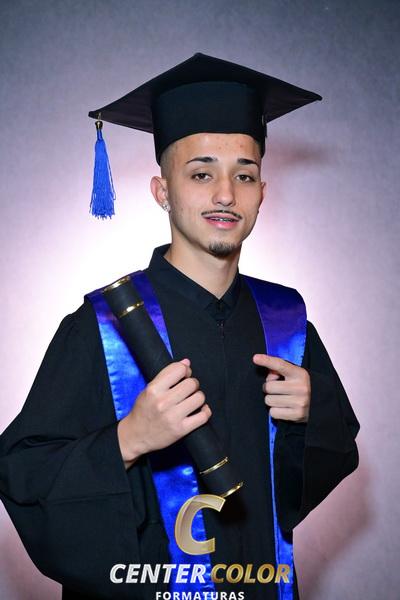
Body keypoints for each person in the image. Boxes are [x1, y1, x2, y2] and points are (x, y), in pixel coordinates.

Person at [0, 53, 359, 600]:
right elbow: (24, 474)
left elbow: (312, 475)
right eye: (201, 173)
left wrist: (312, 417)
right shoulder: (102, 328)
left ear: (262, 193)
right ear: (162, 190)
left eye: (244, 175)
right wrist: (128, 439)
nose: (225, 194)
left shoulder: (286, 320)